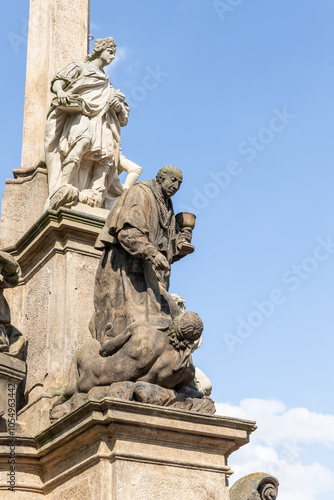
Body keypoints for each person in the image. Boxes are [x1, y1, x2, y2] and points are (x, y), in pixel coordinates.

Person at [92, 165, 193, 344]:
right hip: (127, 270)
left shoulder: (166, 205)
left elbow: (165, 247)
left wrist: (179, 244)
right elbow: (127, 232)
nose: (176, 186)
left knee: (164, 325)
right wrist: (152, 254)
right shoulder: (140, 193)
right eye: (173, 180)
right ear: (161, 177)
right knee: (132, 328)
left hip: (149, 275)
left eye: (180, 183)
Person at [44, 37, 142, 210]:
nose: (112, 57)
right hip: (82, 117)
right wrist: (60, 91)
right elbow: (58, 81)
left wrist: (116, 104)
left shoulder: (107, 83)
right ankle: (60, 189)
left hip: (103, 123)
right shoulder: (79, 68)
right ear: (99, 51)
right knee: (81, 144)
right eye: (110, 52)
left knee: (106, 159)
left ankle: (95, 201)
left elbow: (123, 114)